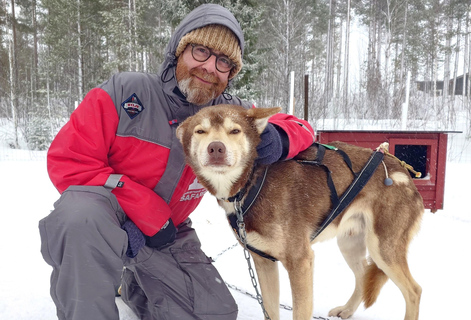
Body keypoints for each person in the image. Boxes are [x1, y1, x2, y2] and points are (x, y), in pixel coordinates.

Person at [39, 3, 315, 320]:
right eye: (200, 51)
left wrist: (280, 136)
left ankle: (136, 285)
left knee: (215, 314)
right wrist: (143, 211)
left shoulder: (233, 112)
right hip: (107, 221)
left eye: (223, 61)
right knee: (81, 214)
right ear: (178, 50)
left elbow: (302, 126)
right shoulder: (125, 91)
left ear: (231, 72)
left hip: (168, 233)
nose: (210, 67)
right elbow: (69, 160)